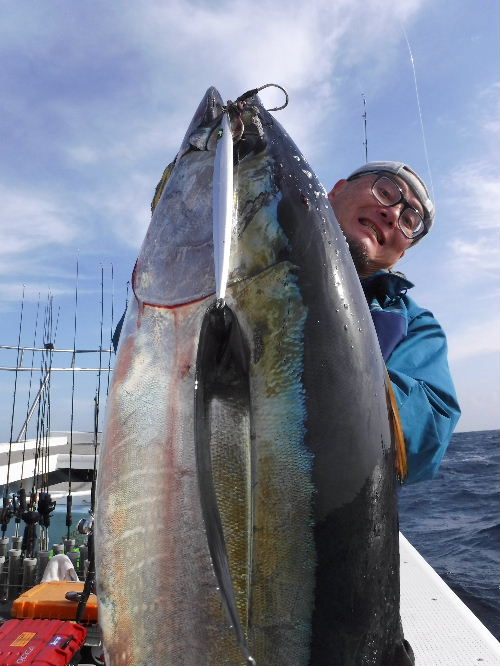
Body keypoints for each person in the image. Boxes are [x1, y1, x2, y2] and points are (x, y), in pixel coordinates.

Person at [328, 161, 460, 484]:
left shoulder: (416, 325)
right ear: (337, 191)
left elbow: (427, 432)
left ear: (401, 254)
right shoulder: (243, 248)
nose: (392, 213)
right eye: (386, 192)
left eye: (409, 221)